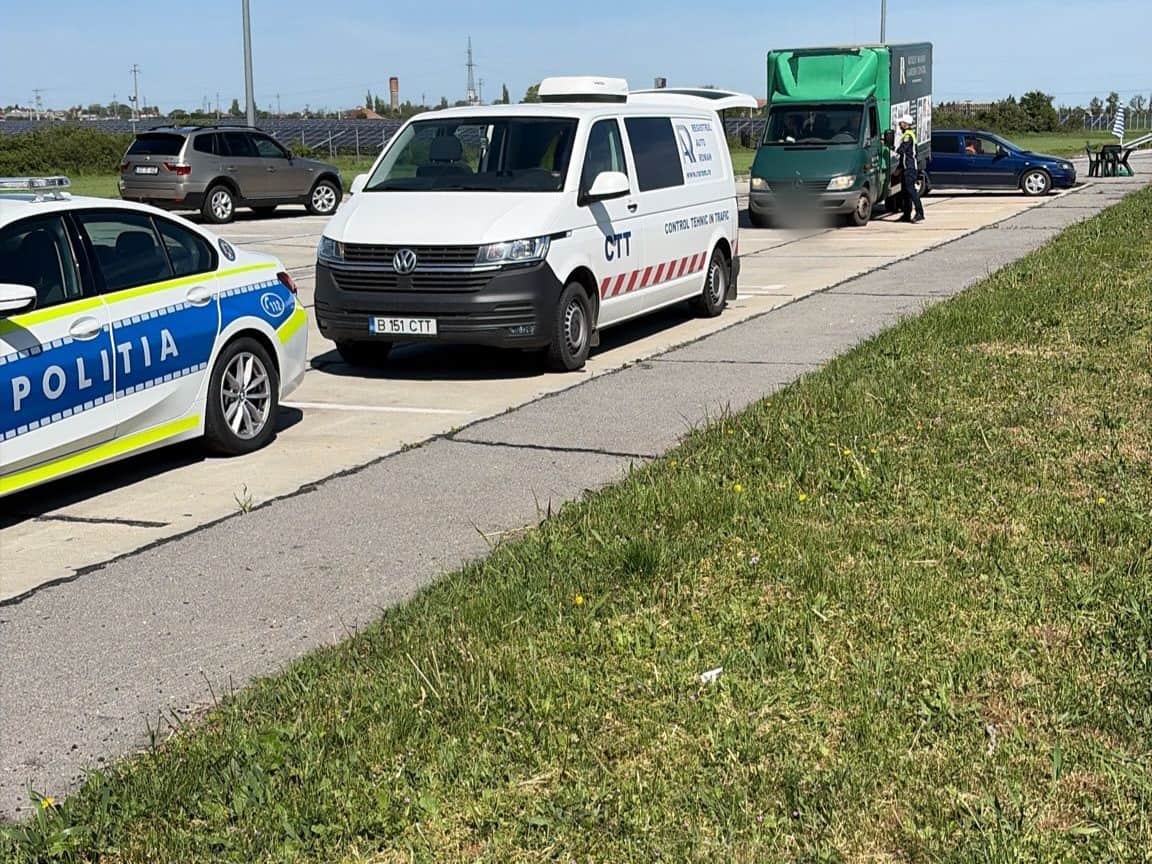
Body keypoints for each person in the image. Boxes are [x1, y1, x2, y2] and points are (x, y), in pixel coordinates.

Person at [896, 114, 925, 223]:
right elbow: (904, 156)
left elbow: (902, 151)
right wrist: (899, 168)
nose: (900, 124)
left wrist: (892, 147)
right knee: (905, 192)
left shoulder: (908, 136)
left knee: (911, 191)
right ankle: (906, 214)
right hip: (906, 167)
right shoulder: (907, 134)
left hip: (910, 168)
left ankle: (920, 213)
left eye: (901, 123)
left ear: (906, 124)